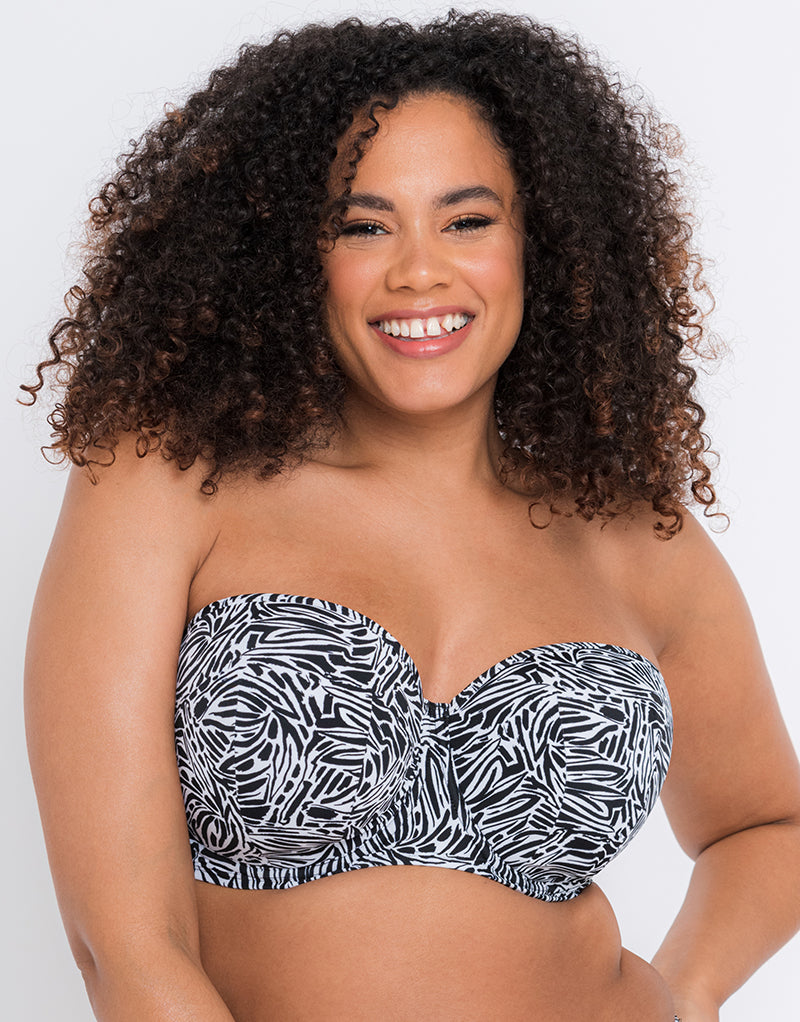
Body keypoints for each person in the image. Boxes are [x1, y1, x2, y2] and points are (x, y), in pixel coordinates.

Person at [21, 10, 800, 1022]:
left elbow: (767, 825)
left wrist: (681, 994)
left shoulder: (631, 536)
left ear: (542, 243)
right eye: (363, 225)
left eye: (467, 221)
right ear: (291, 254)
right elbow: (124, 947)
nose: (419, 271)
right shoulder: (166, 479)